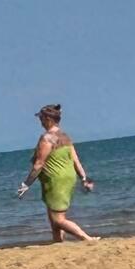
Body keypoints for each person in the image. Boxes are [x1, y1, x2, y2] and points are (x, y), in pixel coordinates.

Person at [17, 103, 97, 243]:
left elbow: (39, 164)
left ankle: (87, 238)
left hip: (56, 180)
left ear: (48, 119)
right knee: (54, 218)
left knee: (58, 219)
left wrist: (26, 184)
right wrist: (84, 178)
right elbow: (75, 160)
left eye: (41, 118)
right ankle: (57, 243)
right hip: (67, 177)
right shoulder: (64, 136)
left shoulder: (48, 138)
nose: (40, 121)